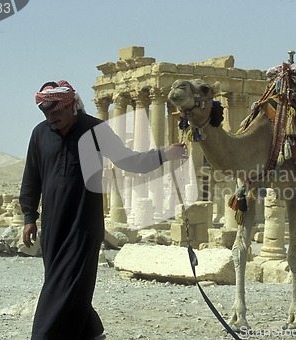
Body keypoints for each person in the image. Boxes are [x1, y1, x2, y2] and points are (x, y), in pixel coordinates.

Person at [20, 80, 186, 340]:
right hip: (53, 226)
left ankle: (42, 335)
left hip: (84, 225)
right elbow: (31, 178)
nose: (51, 118)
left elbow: (129, 160)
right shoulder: (39, 134)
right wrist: (30, 217)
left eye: (56, 113)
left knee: (65, 285)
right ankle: (92, 334)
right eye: (46, 114)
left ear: (72, 106)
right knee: (65, 285)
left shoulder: (95, 130)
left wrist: (163, 154)